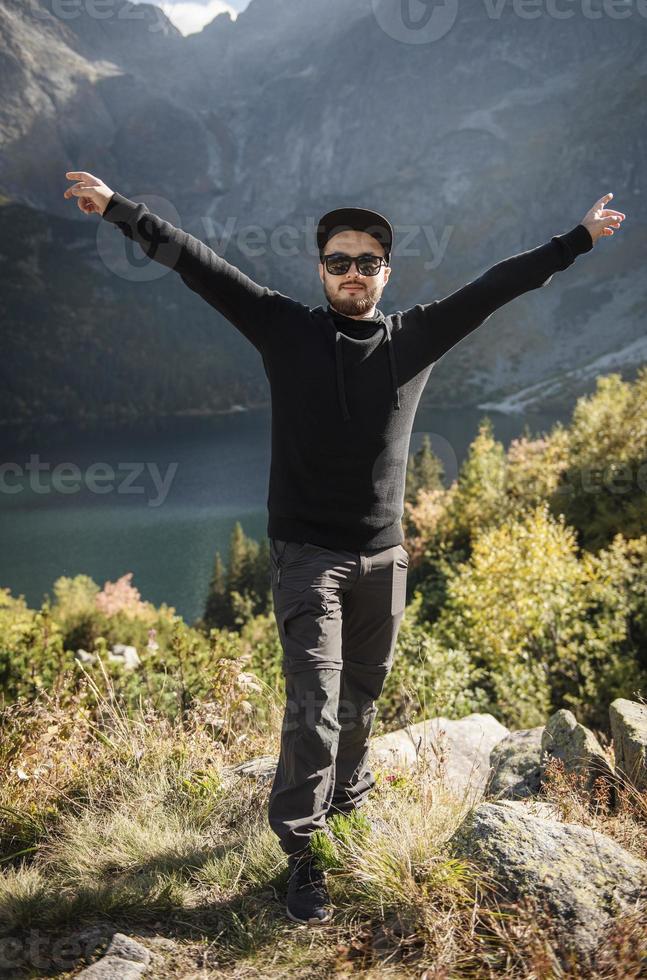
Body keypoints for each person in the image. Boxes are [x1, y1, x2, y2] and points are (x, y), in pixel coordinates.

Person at [63, 172, 625, 925]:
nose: (352, 272)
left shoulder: (416, 335)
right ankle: (304, 855)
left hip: (384, 560)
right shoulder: (281, 326)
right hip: (307, 559)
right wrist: (120, 209)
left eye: (366, 261)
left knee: (359, 706)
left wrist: (578, 239)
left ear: (385, 272)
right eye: (338, 260)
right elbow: (198, 264)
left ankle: (350, 809)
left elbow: (498, 285)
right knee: (313, 708)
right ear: (320, 270)